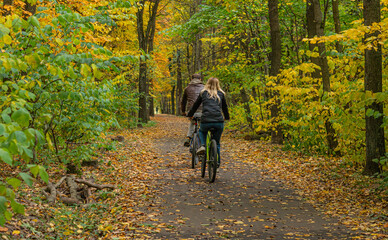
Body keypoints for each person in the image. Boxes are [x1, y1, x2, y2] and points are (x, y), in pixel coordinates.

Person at [187, 77, 229, 167]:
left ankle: (202, 145)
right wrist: (227, 117)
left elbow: (195, 105)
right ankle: (217, 164)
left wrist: (190, 114)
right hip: (218, 121)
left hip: (206, 120)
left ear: (207, 83)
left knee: (201, 131)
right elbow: (225, 108)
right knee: (217, 143)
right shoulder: (221, 94)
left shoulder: (203, 93)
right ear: (218, 84)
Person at [181, 73, 205, 147]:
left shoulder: (187, 88)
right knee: (202, 125)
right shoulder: (205, 88)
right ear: (200, 79)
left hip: (192, 111)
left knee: (193, 122)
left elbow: (183, 102)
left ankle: (188, 137)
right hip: (203, 111)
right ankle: (203, 142)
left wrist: (183, 111)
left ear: (191, 79)